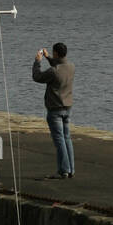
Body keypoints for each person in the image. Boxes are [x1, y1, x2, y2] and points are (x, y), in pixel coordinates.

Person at [32, 41, 75, 179]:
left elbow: (37, 77)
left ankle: (64, 170)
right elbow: (58, 66)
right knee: (67, 138)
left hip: (55, 110)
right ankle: (71, 169)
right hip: (68, 107)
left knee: (59, 140)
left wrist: (37, 62)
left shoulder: (53, 71)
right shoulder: (71, 67)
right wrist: (48, 57)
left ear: (56, 53)